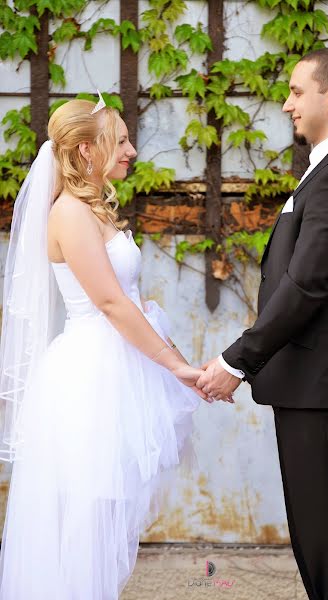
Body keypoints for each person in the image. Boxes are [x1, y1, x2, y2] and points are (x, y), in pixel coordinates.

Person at [0, 95, 211, 599]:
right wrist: (174, 366)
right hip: (90, 378)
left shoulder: (93, 211)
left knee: (105, 516)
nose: (132, 151)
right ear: (87, 151)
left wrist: (176, 359)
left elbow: (133, 300)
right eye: (121, 141)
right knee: (85, 519)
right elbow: (112, 304)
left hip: (118, 368)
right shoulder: (70, 215)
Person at [197, 48, 328, 599]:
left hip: (324, 384)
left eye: (296, 92)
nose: (286, 105)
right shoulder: (327, 170)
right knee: (317, 539)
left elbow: (307, 286)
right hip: (312, 382)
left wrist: (237, 360)